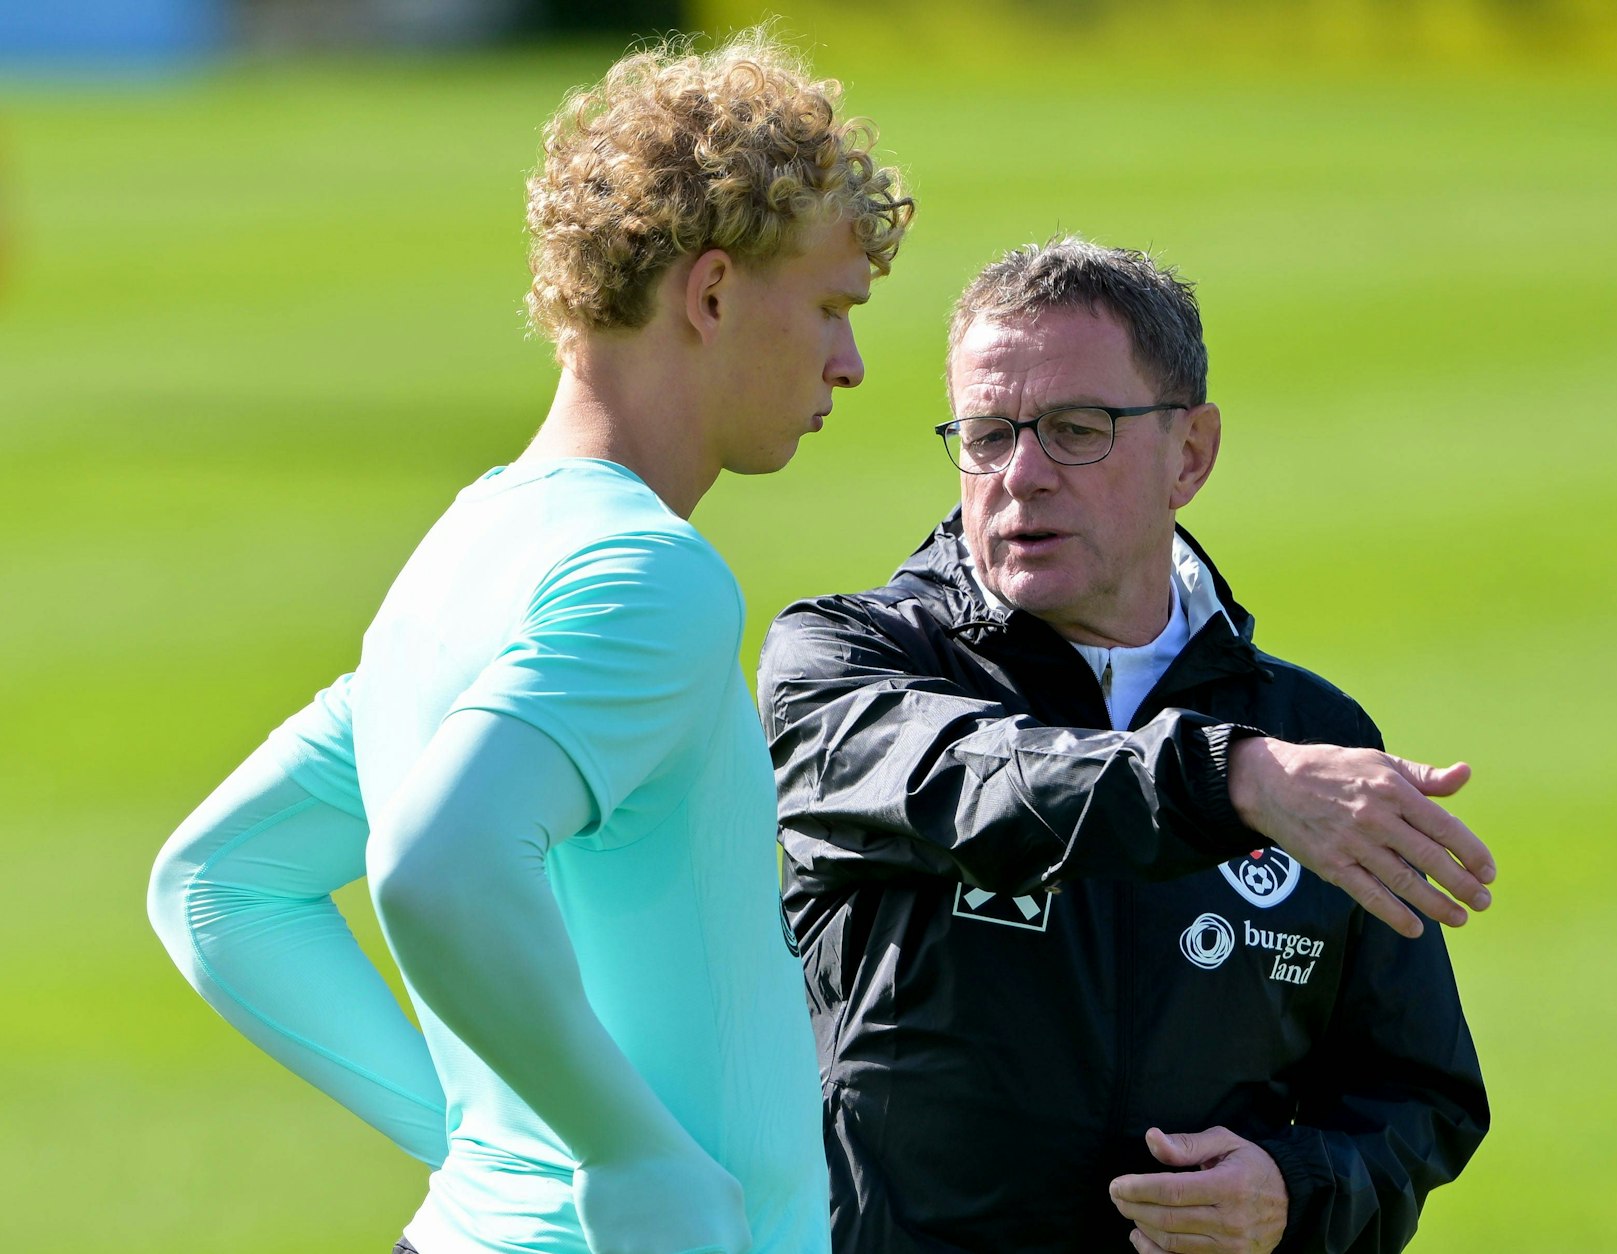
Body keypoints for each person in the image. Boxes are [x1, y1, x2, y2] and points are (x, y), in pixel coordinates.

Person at [147, 33, 912, 1254]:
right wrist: (627, 1154)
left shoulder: (454, 559)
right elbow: (432, 862)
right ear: (711, 294)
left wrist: (489, 1153)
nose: (851, 363)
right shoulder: (648, 577)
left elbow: (219, 886)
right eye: (829, 308)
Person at [758, 238, 1491, 1254]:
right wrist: (1229, 779)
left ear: (1188, 453)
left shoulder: (1313, 740)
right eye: (985, 435)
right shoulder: (848, 666)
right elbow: (976, 779)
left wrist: (1292, 1191)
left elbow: (1415, 1098)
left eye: (1074, 430)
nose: (1020, 476)